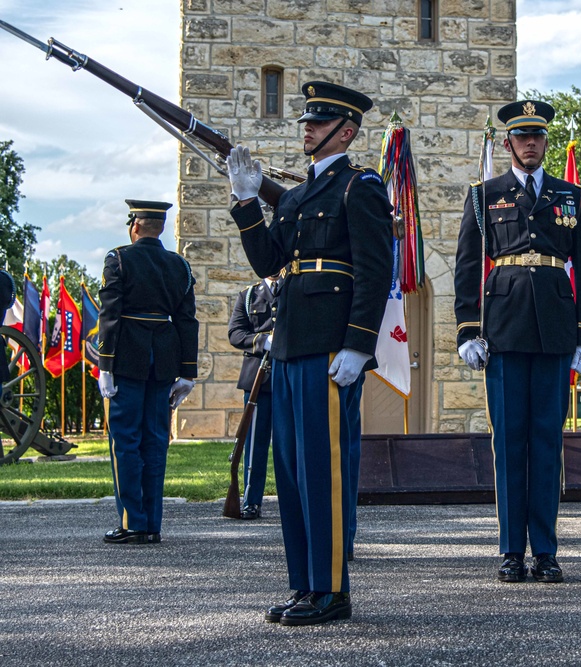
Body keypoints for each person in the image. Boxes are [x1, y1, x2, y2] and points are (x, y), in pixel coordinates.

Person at [226, 81, 393, 625]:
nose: (306, 128)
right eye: (305, 121)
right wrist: (247, 201)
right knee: (294, 471)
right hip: (292, 345)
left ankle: (332, 590)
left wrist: (359, 344)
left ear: (345, 131)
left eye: (317, 123)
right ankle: (304, 585)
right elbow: (267, 261)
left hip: (330, 349)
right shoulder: (296, 197)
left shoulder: (359, 186)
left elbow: (375, 270)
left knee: (324, 470)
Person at [453, 100, 581, 583]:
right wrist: (468, 330)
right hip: (505, 329)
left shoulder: (571, 196)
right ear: (508, 143)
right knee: (510, 442)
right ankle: (512, 549)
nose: (530, 143)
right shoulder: (483, 195)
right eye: (522, 136)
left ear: (546, 142)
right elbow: (468, 266)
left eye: (537, 136)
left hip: (556, 329)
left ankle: (547, 550)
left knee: (547, 442)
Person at [97, 200, 198, 545]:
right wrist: (188, 371)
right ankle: (151, 523)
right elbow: (187, 321)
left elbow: (110, 314)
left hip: (126, 360)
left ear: (135, 225)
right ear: (161, 227)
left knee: (125, 440)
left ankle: (133, 521)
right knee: (155, 441)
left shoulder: (119, 259)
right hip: (164, 362)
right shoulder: (179, 266)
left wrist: (105, 364)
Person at [227, 275, 278, 520]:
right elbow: (235, 333)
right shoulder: (248, 295)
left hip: (289, 374)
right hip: (259, 377)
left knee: (290, 443)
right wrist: (262, 341)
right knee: (255, 443)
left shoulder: (294, 288)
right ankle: (250, 500)